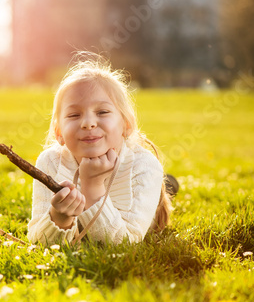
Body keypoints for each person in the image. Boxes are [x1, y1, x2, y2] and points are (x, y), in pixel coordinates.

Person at [28, 53, 174, 245]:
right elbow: (39, 243)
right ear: (58, 132)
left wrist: (93, 187)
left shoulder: (144, 166)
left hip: (144, 186)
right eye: (73, 115)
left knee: (166, 186)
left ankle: (168, 188)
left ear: (127, 124)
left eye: (102, 112)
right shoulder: (50, 162)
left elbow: (123, 245)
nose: (88, 123)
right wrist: (59, 218)